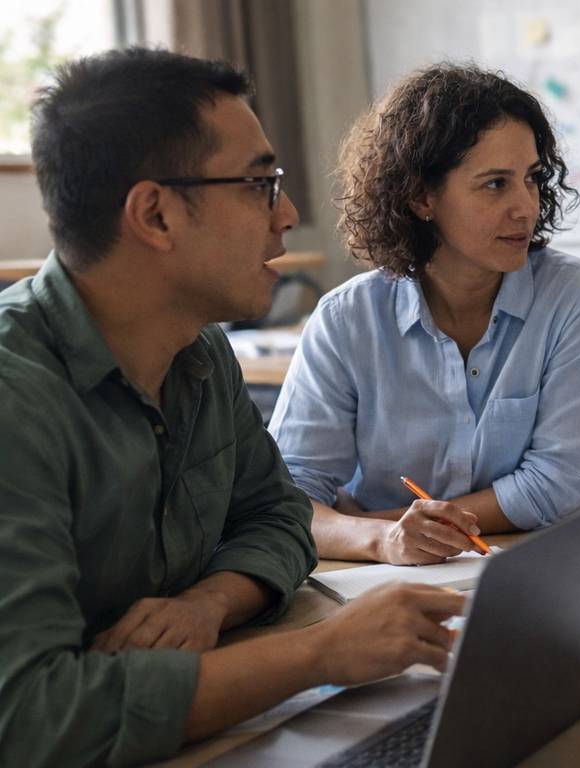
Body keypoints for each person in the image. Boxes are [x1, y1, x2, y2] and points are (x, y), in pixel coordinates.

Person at [0, 49, 465, 767]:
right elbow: (33, 716)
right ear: (156, 214)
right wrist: (320, 654)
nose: (288, 215)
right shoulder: (16, 398)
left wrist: (210, 602)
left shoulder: (198, 349)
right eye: (259, 185)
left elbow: (279, 514)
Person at [268, 64, 580, 564]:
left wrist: (373, 524)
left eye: (532, 178)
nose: (526, 206)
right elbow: (287, 501)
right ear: (421, 197)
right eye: (495, 184)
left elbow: (564, 487)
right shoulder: (347, 319)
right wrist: (386, 539)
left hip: (527, 567)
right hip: (380, 578)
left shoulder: (574, 295)